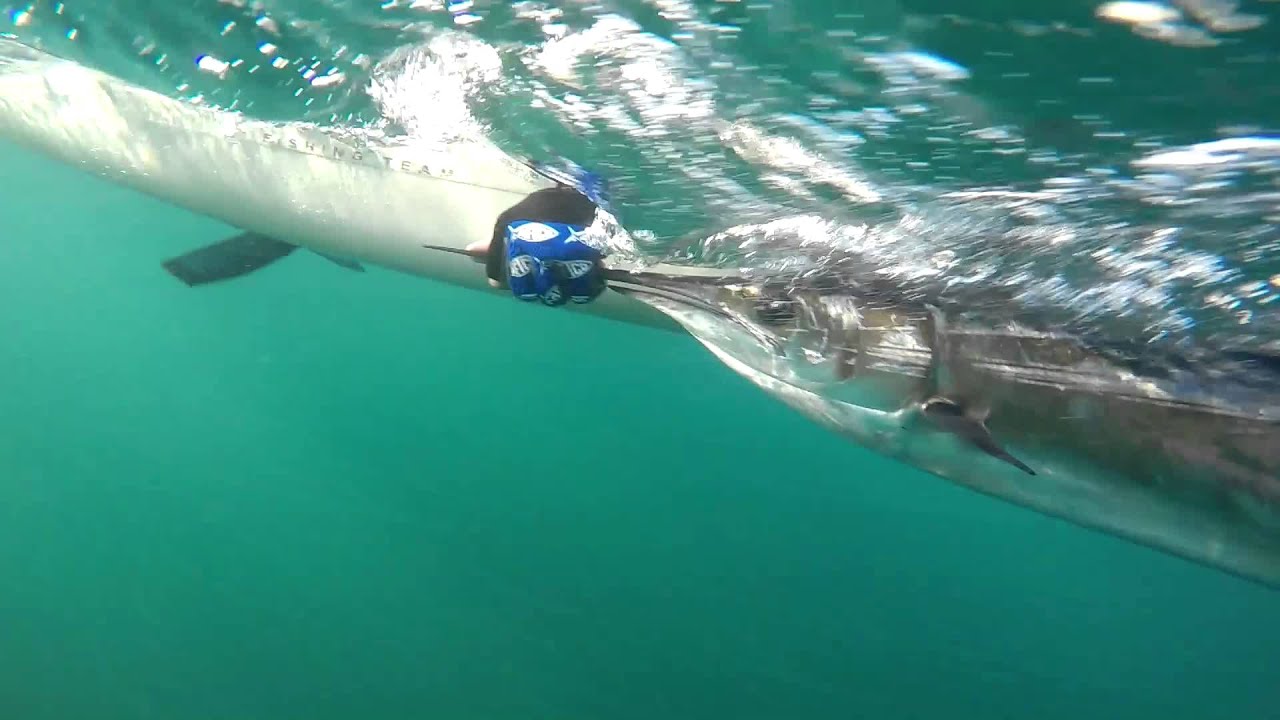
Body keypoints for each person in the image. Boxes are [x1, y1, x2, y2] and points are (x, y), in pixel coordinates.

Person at [463, 166, 613, 307]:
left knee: (495, 279)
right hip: (541, 209)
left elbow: (495, 278)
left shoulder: (510, 217)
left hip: (580, 216)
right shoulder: (514, 218)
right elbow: (474, 251)